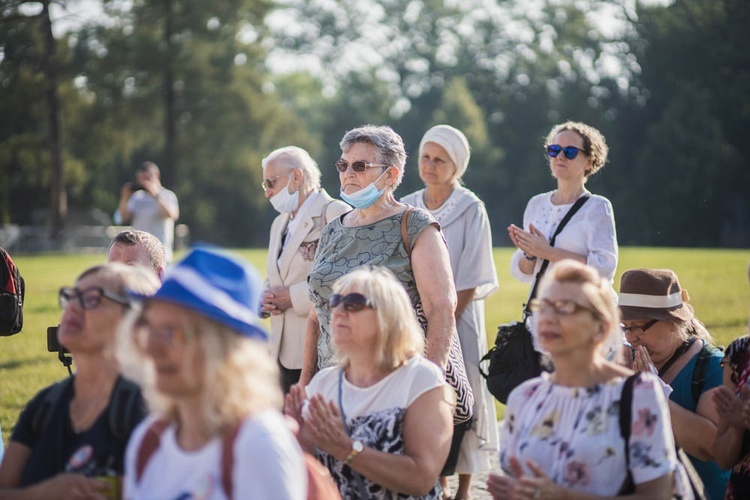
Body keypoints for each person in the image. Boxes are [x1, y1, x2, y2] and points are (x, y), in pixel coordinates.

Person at [487, 260, 685, 499]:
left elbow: (656, 495)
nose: (549, 317)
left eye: (565, 308)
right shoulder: (524, 396)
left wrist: (563, 497)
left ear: (601, 328)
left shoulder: (638, 394)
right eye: (545, 306)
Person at [120, 247, 307, 499]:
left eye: (172, 333)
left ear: (223, 349)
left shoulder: (258, 444)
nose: (152, 349)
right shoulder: (147, 442)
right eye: (149, 328)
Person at [301, 124, 458, 388]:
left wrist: (428, 382)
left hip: (392, 381)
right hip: (330, 384)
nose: (348, 174)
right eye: (343, 165)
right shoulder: (332, 230)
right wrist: (306, 380)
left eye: (360, 166)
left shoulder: (415, 225)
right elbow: (316, 314)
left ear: (390, 175)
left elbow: (441, 307)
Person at [286, 267, 455, 498]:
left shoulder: (420, 379)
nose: (339, 311)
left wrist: (347, 449)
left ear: (388, 317)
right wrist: (299, 439)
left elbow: (421, 478)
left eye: (353, 303)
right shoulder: (324, 382)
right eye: (335, 302)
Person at [0, 263, 159, 498]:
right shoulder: (44, 405)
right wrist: (44, 494)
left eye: (92, 298)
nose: (73, 306)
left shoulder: (150, 410)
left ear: (134, 322)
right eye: (71, 296)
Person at [401, 124, 498, 499]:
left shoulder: (472, 208)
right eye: (425, 157)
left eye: (439, 159)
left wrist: (444, 319)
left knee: (464, 392)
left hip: (461, 318)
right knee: (426, 393)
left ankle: (465, 487)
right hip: (411, 321)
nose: (430, 165)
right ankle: (436, 478)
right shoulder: (407, 204)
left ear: (456, 165)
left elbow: (473, 273)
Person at [620, 268, 729, 499]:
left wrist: (652, 393)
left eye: (639, 326)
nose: (631, 337)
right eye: (625, 327)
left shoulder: (713, 367)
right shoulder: (623, 361)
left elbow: (712, 447)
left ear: (672, 321)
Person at [507, 121, 618, 336]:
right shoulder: (536, 204)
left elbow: (604, 269)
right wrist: (530, 254)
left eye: (569, 152)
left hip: (584, 316)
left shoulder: (598, 207)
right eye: (554, 150)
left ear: (590, 161)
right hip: (543, 314)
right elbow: (523, 272)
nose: (560, 156)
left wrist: (547, 252)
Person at [260, 146, 349, 393]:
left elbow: (346, 280)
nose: (267, 192)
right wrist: (265, 298)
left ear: (297, 177)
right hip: (279, 354)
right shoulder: (279, 222)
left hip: (320, 355)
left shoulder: (335, 213)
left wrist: (293, 297)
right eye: (264, 185)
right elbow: (276, 275)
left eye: (271, 182)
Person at [118, 161, 179, 263]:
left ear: (156, 176)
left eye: (147, 178)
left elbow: (172, 215)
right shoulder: (137, 198)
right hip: (139, 255)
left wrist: (156, 195)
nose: (144, 183)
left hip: (161, 253)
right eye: (141, 179)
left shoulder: (167, 195)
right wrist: (124, 197)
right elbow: (123, 218)